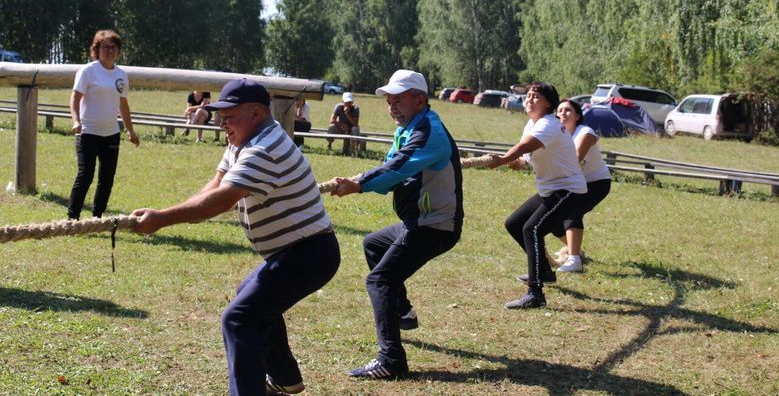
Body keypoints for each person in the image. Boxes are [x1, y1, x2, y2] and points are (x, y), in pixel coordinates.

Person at [131, 79, 340, 396]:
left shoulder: (263, 149)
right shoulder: (241, 142)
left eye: (228, 115)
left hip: (309, 254)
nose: (221, 122)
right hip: (297, 252)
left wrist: (161, 220)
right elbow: (215, 185)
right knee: (251, 300)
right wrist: (163, 213)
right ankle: (285, 378)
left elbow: (223, 200)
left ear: (255, 112)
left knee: (240, 319)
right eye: (220, 114)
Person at [331, 69, 463, 379]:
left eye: (398, 99)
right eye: (389, 100)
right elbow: (394, 170)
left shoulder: (429, 130)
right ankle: (402, 311)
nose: (392, 106)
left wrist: (359, 184)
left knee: (380, 281)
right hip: (417, 221)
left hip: (434, 225)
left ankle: (391, 360)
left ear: (420, 100)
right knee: (373, 244)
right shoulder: (408, 127)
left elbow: (399, 166)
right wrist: (365, 181)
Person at [487, 82, 587, 309]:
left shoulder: (549, 124)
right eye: (528, 96)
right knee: (514, 224)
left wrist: (501, 159)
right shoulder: (533, 124)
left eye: (535, 96)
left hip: (568, 189)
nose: (529, 99)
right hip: (551, 189)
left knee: (531, 229)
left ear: (549, 103)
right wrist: (516, 162)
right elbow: (527, 155)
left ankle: (535, 293)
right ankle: (544, 271)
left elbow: (526, 145)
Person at [67, 30, 139, 220]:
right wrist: (76, 121)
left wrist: (131, 131)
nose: (110, 51)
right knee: (85, 176)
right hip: (87, 132)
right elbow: (75, 98)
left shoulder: (122, 75)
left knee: (106, 179)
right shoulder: (88, 71)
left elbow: (123, 104)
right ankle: (72, 218)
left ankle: (96, 217)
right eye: (105, 47)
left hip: (111, 134)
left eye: (113, 47)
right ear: (96, 49)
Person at [552, 98, 612, 273]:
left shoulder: (585, 132)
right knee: (554, 221)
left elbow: (576, 158)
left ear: (577, 116)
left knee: (572, 212)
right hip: (572, 183)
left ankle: (574, 260)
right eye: (560, 110)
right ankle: (576, 251)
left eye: (568, 110)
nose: (563, 113)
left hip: (596, 183)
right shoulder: (558, 135)